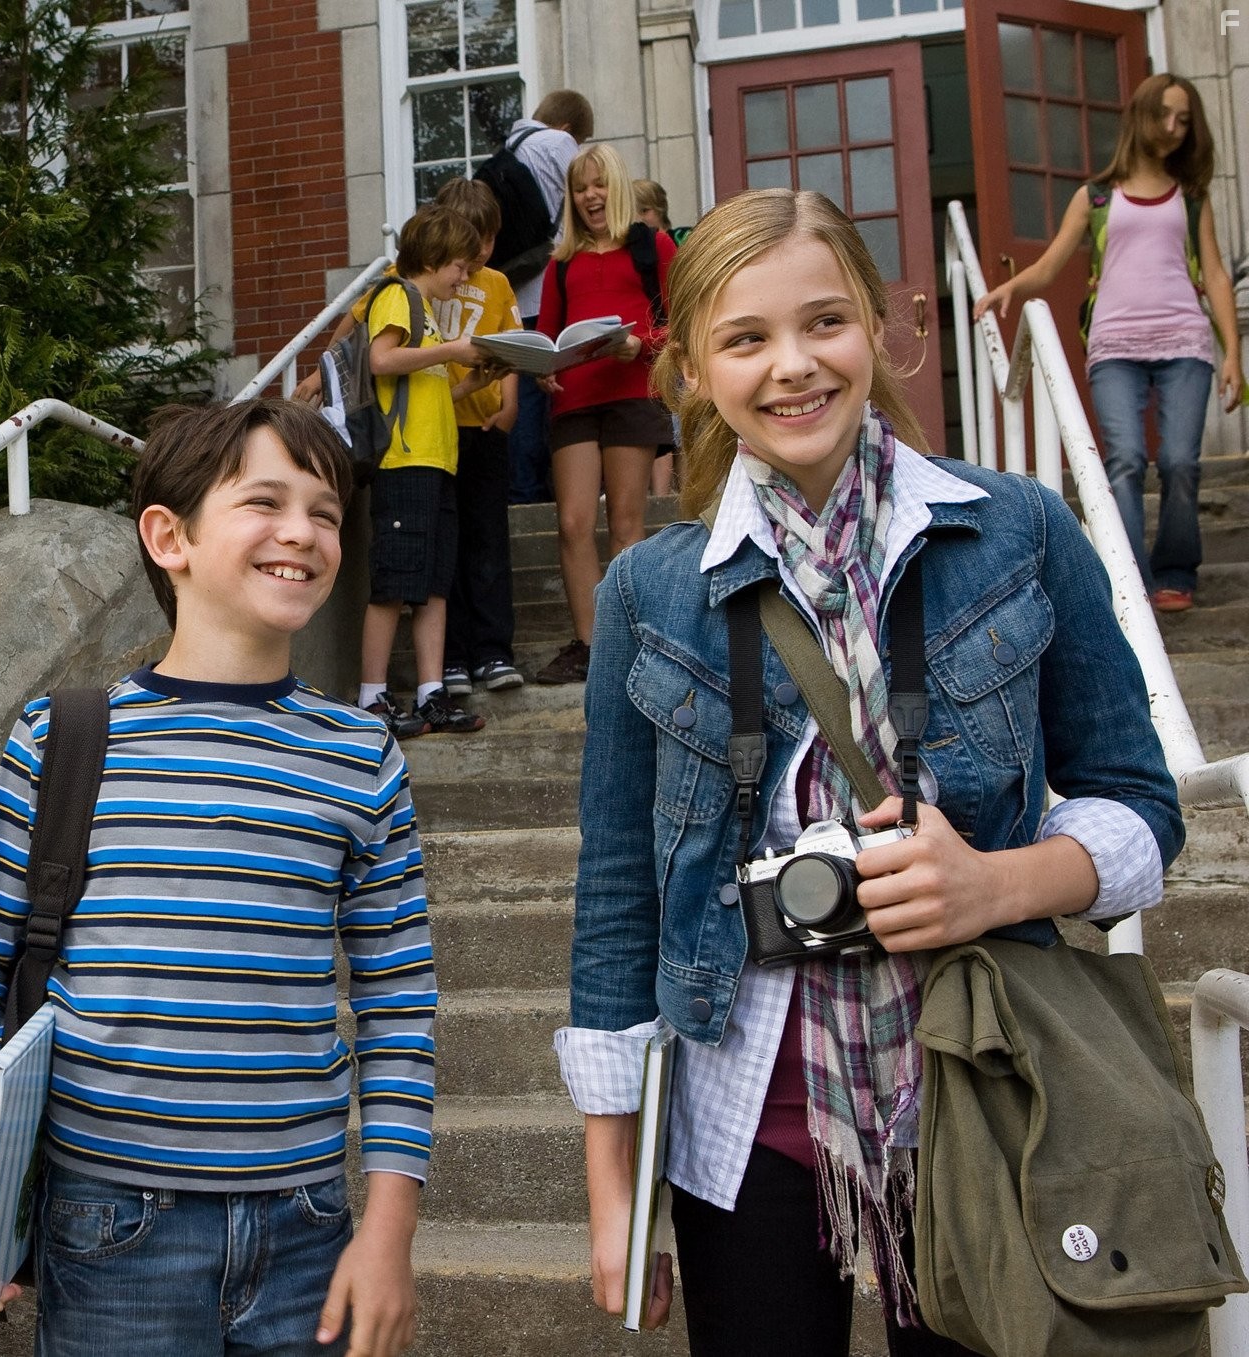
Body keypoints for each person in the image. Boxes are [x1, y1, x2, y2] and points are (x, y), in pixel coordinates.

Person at [561, 188, 1181, 1355]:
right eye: (744, 339)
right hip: (742, 1124)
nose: (791, 366)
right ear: (688, 366)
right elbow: (613, 903)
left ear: (881, 328)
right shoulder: (651, 593)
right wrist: (614, 1188)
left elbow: (1140, 809)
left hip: (981, 1097)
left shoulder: (1016, 528)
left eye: (823, 323)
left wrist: (1001, 885)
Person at [0, 399, 438, 1357]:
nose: (304, 533)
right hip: (112, 1228)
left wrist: (389, 1228)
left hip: (309, 1226)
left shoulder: (360, 752)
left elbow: (399, 998)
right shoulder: (68, 738)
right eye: (266, 502)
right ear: (170, 536)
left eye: (325, 513)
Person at [974, 72, 1242, 613]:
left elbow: (1214, 273)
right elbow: (1050, 266)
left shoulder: (1190, 197)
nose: (1172, 128)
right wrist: (1006, 288)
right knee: (1123, 461)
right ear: (1139, 117)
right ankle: (1132, 581)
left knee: (1181, 463)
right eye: (1164, 115)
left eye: (1184, 120)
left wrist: (1234, 351)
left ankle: (1174, 572)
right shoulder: (1096, 196)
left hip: (1186, 343)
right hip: (1115, 346)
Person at [531, 143, 676, 686]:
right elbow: (544, 336)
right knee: (571, 524)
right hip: (572, 400)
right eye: (579, 187)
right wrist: (539, 366)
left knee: (625, 525)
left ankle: (629, 639)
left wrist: (640, 344)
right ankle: (590, 645)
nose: (590, 196)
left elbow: (679, 325)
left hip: (632, 394)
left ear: (616, 187)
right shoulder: (560, 263)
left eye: (598, 185)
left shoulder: (653, 245)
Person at [357, 206, 499, 736]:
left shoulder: (428, 312)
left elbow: (431, 387)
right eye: (460, 267)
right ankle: (373, 696)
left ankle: (430, 691)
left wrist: (475, 380)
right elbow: (381, 360)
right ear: (435, 257)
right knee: (393, 580)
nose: (463, 278)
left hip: (437, 458)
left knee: (434, 584)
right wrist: (455, 349)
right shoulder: (397, 295)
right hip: (404, 459)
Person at [427, 178, 524, 696]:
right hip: (434, 432)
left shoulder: (498, 284)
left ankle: (493, 651)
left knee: (488, 539)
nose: (483, 251)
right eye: (475, 239)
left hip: (484, 429)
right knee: (448, 543)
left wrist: (509, 404)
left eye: (489, 239)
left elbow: (512, 347)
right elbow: (359, 324)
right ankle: (451, 657)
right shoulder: (416, 277)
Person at [505, 90, 595, 507]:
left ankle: (522, 491)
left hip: (512, 291)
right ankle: (552, 489)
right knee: (552, 393)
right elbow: (584, 207)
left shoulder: (509, 148)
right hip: (549, 291)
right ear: (570, 129)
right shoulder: (558, 145)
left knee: (521, 398)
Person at [634, 179, 685, 498]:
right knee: (665, 425)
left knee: (680, 422)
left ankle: (675, 496)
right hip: (651, 343)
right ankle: (661, 495)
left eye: (644, 211)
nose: (637, 219)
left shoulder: (672, 241)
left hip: (674, 341)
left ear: (658, 211)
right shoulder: (640, 246)